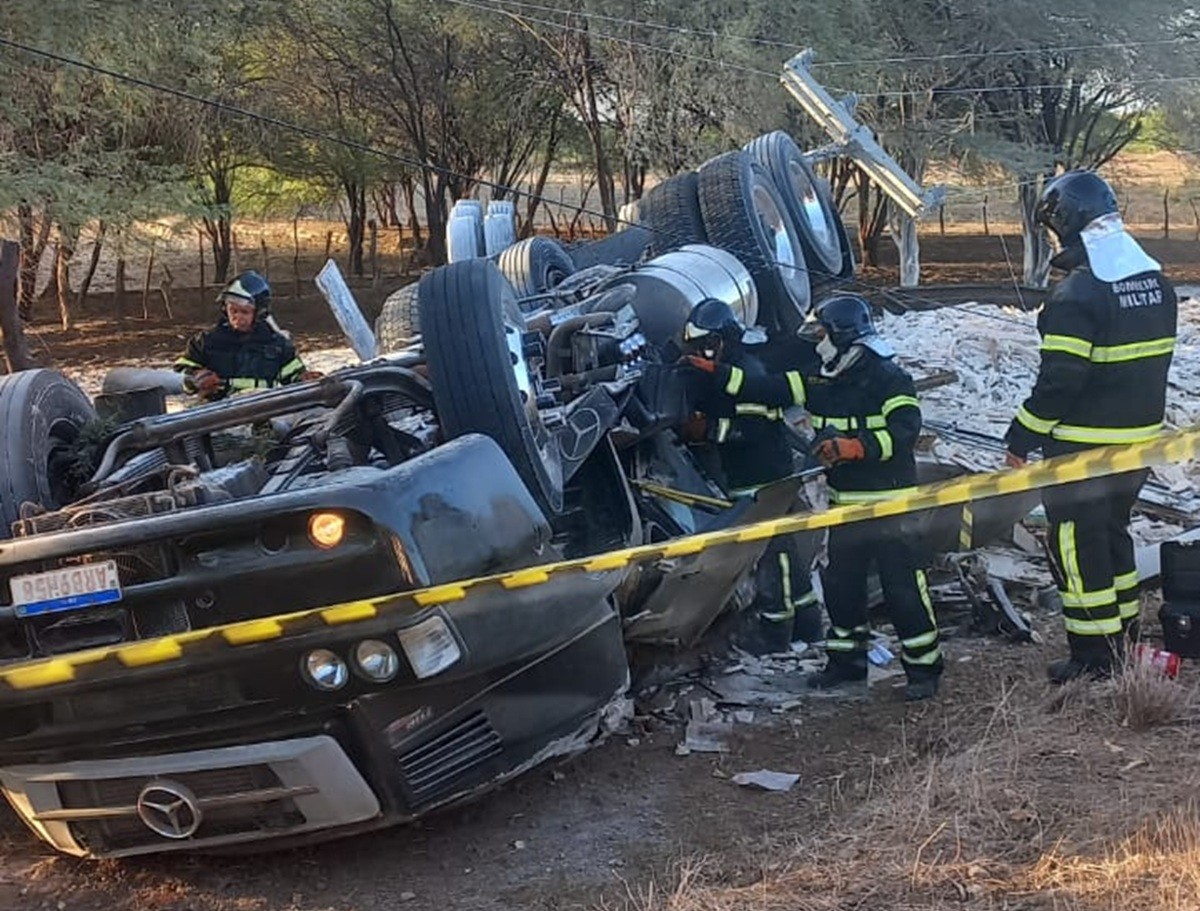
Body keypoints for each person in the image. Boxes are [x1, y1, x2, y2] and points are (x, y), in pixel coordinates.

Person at [690, 294, 942, 701]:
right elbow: (768, 389)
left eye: (822, 333)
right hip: (844, 506)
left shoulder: (887, 376)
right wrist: (716, 372)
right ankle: (846, 663)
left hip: (891, 505)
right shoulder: (821, 377)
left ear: (843, 335)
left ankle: (923, 670)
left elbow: (905, 430)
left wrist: (855, 447)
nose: (817, 341)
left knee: (903, 589)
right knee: (842, 587)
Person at [1005, 169, 1178, 684]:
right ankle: (1122, 638)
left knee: (1077, 551)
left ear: (1066, 226)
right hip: (1137, 446)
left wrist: (1022, 433)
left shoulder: (1078, 295)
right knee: (1113, 537)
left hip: (1082, 451)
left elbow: (1060, 381)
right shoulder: (1154, 282)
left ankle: (1093, 657)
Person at [678, 298, 824, 654]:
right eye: (696, 346)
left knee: (773, 554)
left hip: (763, 476)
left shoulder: (748, 372)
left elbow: (755, 429)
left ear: (725, 339)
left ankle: (776, 632)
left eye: (707, 345)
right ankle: (807, 623)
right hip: (754, 475)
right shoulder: (726, 366)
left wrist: (708, 430)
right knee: (783, 549)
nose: (703, 352)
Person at [174, 271, 312, 401]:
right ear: (224, 308)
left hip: (264, 413)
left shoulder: (276, 344)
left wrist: (305, 379)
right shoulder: (206, 342)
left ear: (259, 313)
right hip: (217, 416)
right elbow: (179, 376)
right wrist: (195, 378)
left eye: (244, 312)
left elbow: (294, 378)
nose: (237, 318)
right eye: (233, 311)